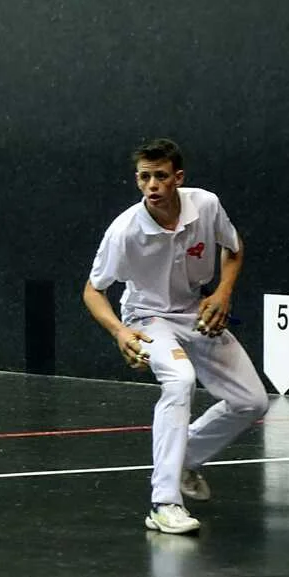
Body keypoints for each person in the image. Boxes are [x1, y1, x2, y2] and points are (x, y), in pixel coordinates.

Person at [83, 138, 269, 535]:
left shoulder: (206, 204)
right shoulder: (125, 230)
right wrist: (120, 331)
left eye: (160, 176)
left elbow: (233, 248)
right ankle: (164, 502)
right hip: (147, 317)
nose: (152, 185)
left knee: (251, 401)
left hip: (194, 311)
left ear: (178, 178)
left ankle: (185, 459)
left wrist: (222, 294)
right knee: (180, 380)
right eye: (144, 177)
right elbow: (93, 291)